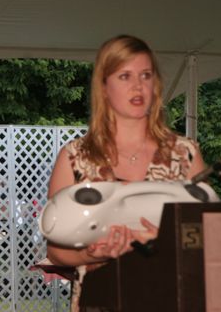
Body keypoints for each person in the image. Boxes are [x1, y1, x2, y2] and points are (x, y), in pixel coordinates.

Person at [46, 34, 206, 310]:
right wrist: (90, 254)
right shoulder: (75, 157)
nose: (138, 86)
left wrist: (169, 241)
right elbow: (55, 252)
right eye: (125, 76)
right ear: (104, 86)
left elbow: (209, 239)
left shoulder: (185, 153)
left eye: (146, 75)